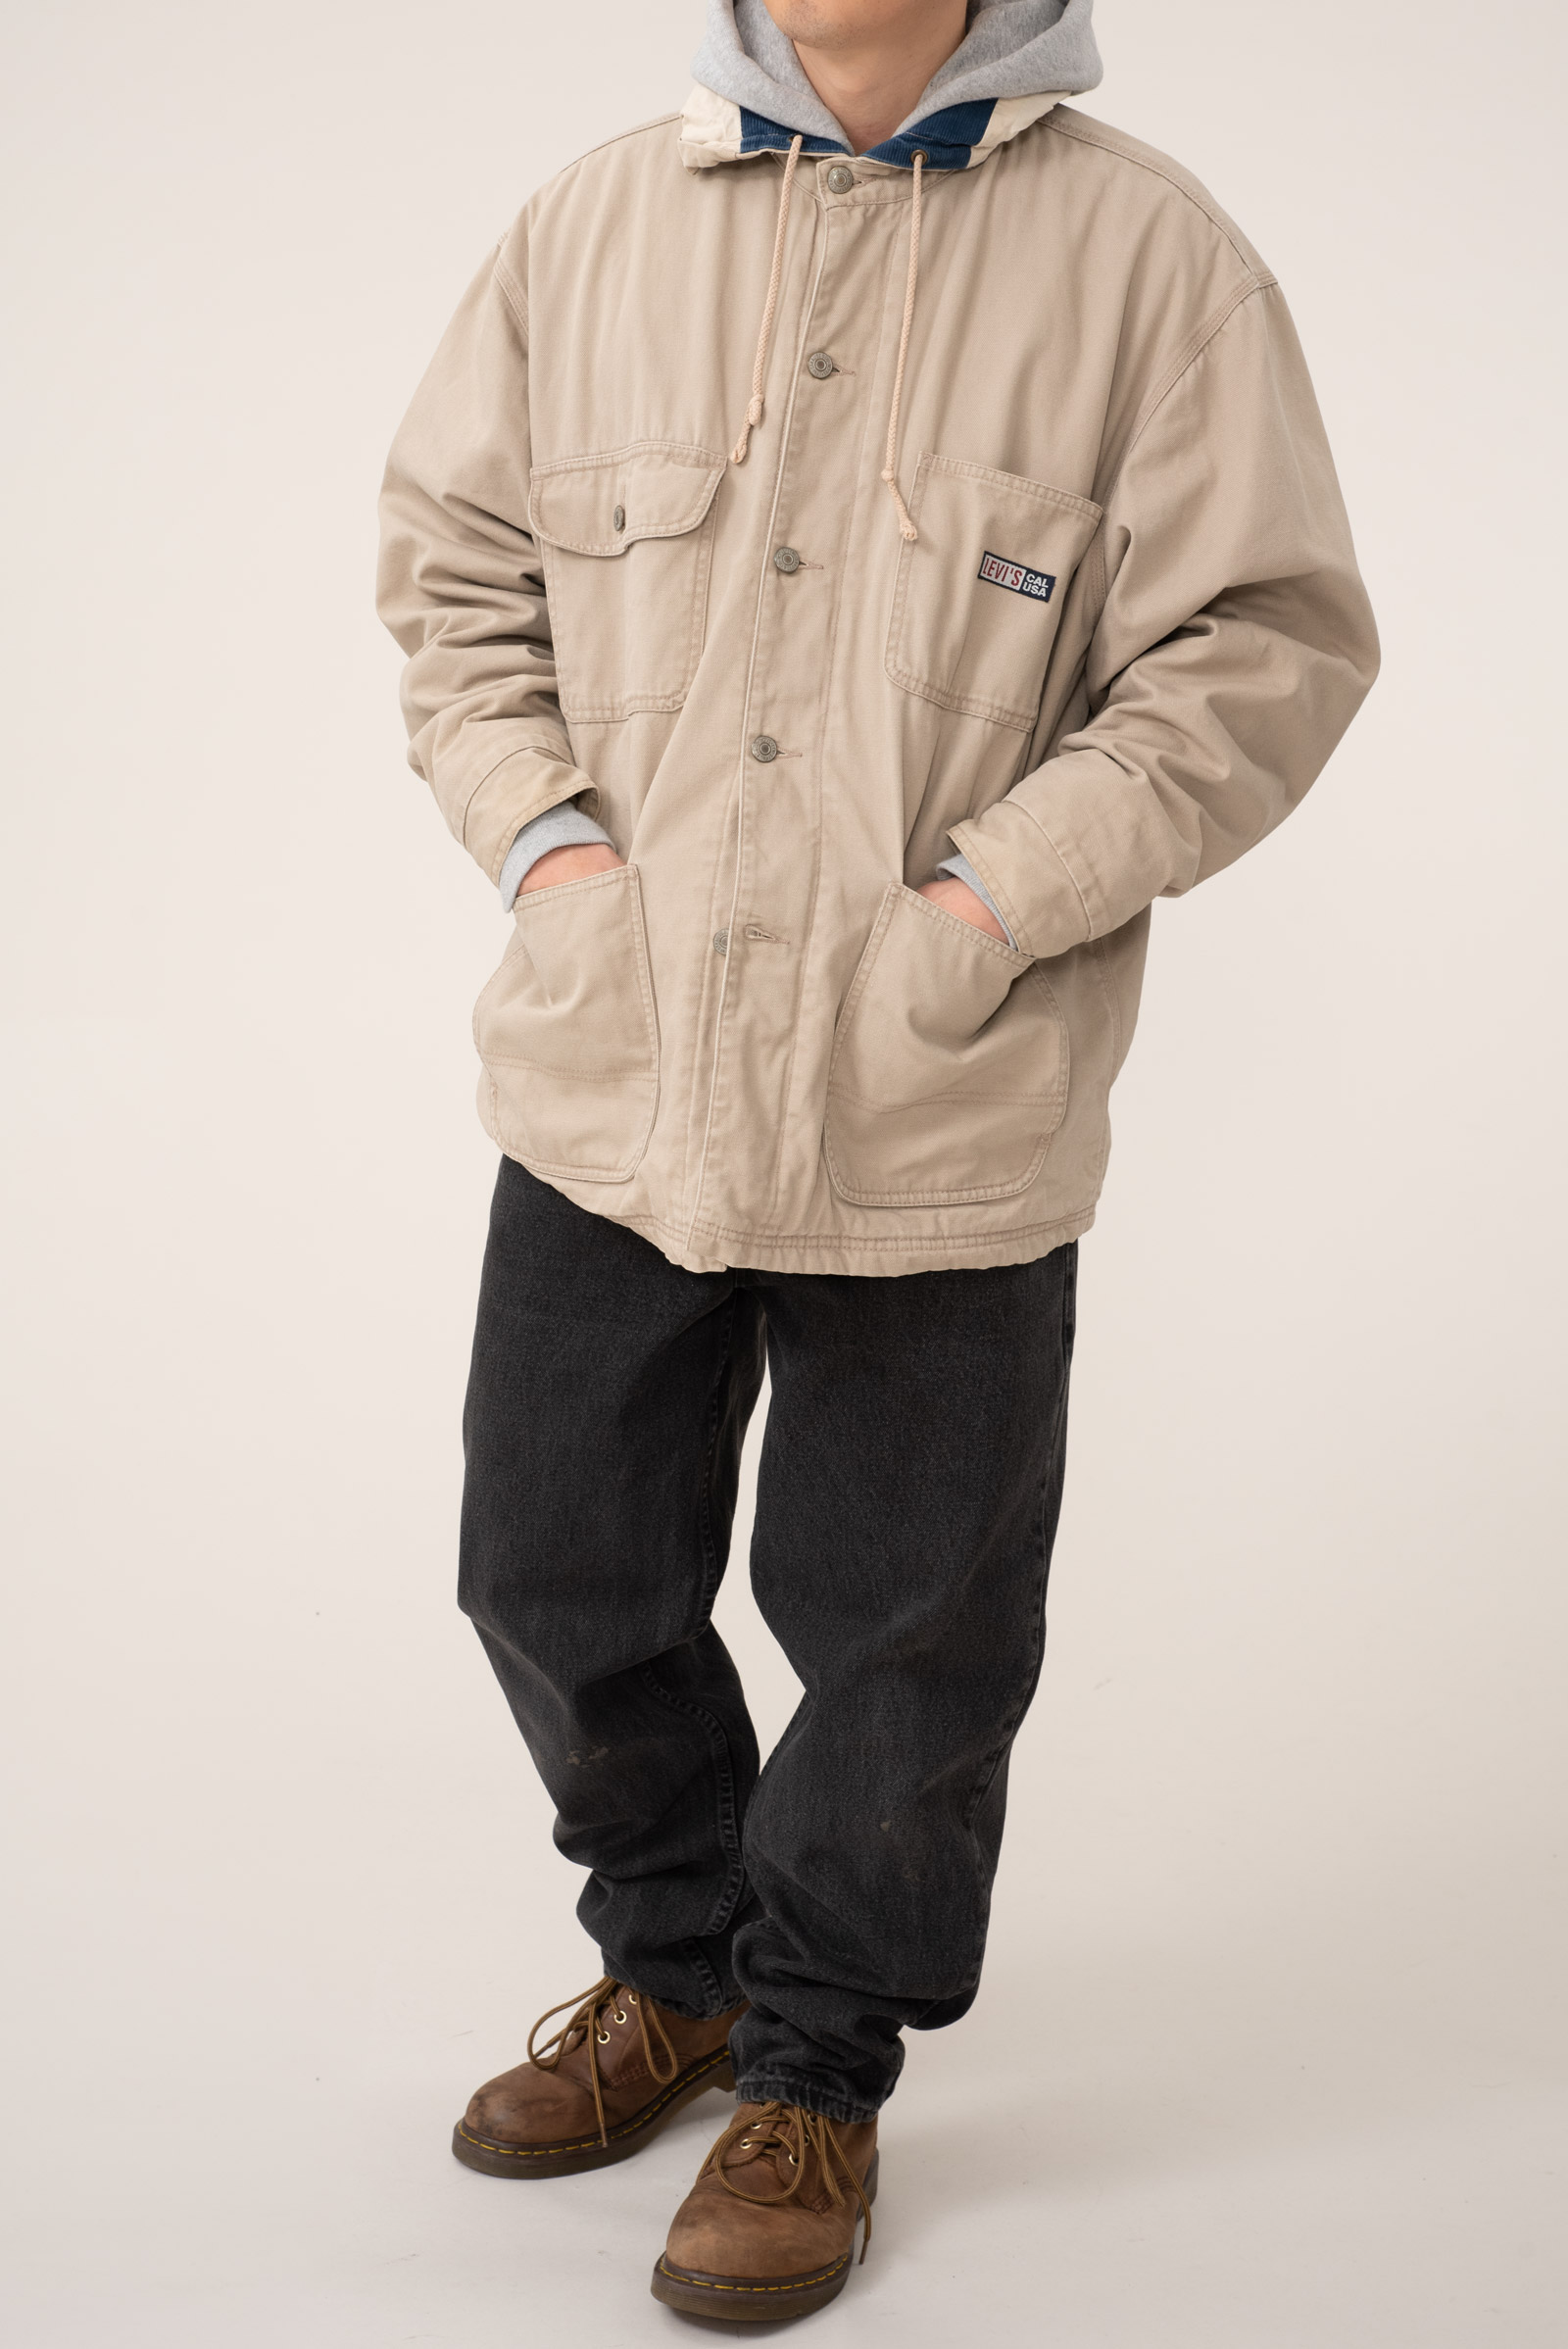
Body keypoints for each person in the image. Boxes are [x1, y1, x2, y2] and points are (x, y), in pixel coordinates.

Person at [376, 0, 1377, 2322]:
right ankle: (676, 1963)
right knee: (548, 1568)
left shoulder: (1149, 262)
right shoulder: (588, 226)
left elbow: (1259, 647)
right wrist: (545, 852)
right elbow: (452, 569)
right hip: (614, 1070)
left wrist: (986, 906)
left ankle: (813, 2066)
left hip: (938, 1090)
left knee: (903, 1633)